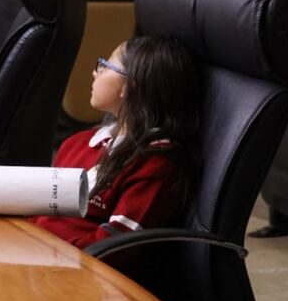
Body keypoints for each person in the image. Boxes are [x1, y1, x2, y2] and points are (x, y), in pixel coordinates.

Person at [30, 35, 200, 254]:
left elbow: (115, 249)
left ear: (129, 87)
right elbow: (38, 211)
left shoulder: (155, 168)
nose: (95, 72)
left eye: (105, 66)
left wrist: (41, 249)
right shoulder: (77, 144)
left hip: (73, 270)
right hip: (34, 253)